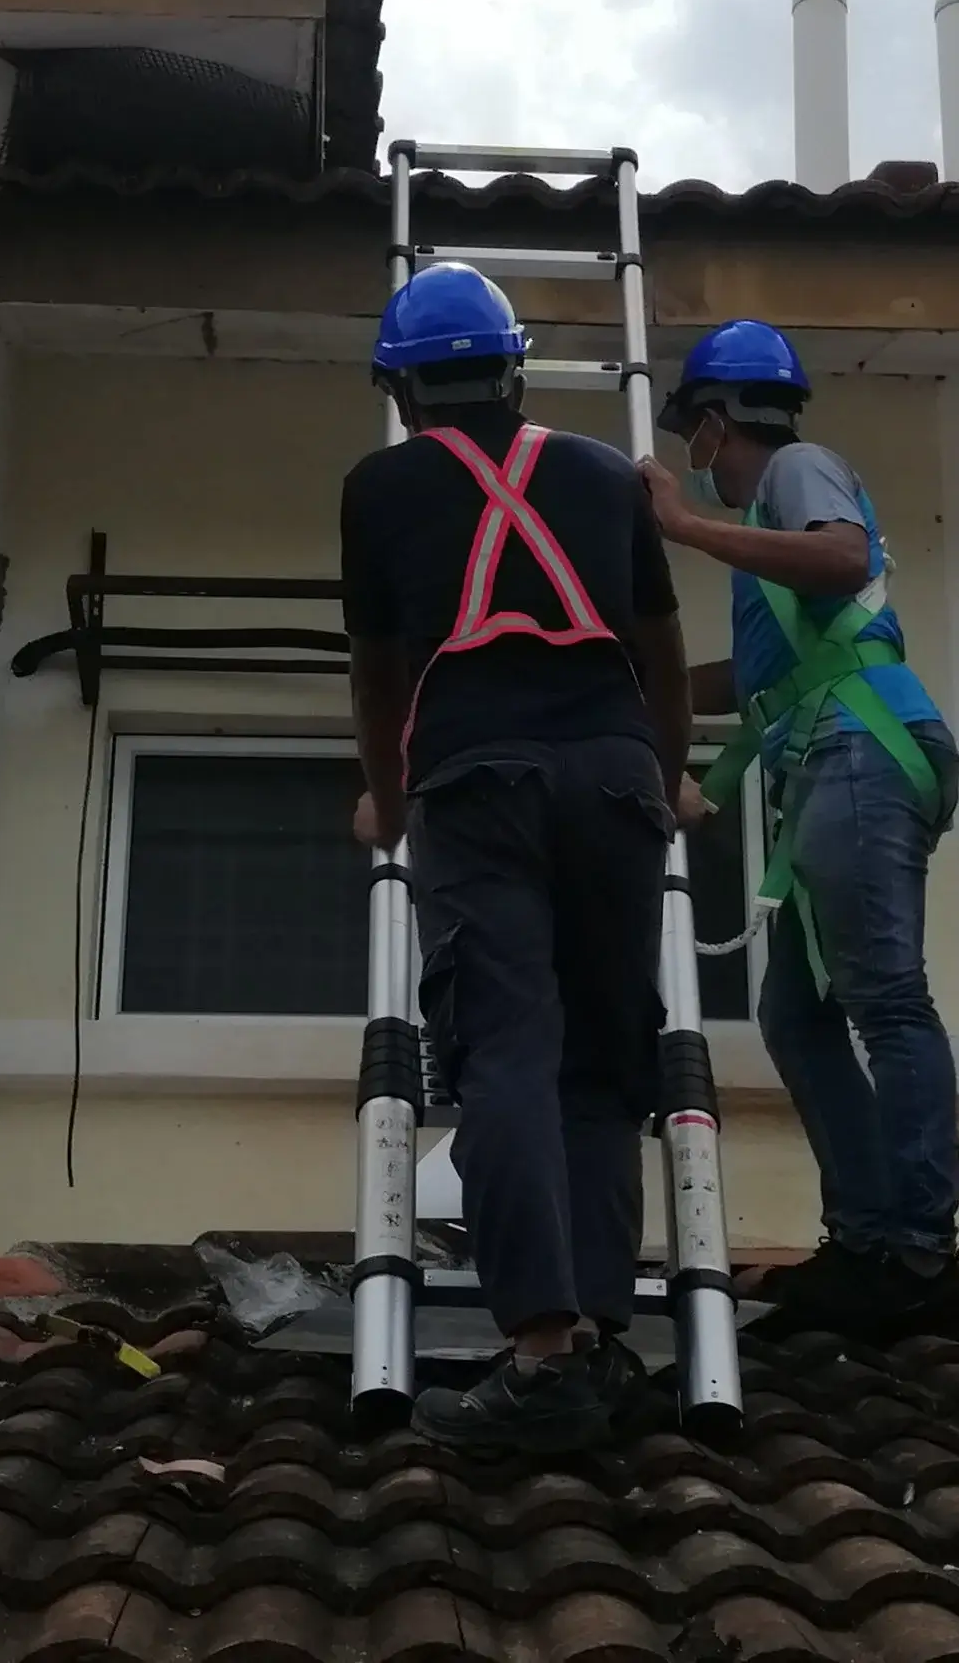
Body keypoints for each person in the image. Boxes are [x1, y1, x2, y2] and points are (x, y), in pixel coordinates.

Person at [340, 262, 699, 1454]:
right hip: (612, 776)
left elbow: (381, 671)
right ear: (512, 364)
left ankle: (540, 1360)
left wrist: (387, 802)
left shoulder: (382, 487)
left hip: (477, 777)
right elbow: (659, 648)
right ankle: (591, 1337)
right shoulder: (603, 473)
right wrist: (663, 775)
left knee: (503, 1047)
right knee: (602, 1061)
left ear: (402, 388)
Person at [639, 319, 959, 1343]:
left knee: (883, 997)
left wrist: (685, 528)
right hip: (835, 750)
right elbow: (755, 679)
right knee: (796, 1011)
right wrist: (630, 685)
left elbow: (841, 556)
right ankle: (869, 1238)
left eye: (693, 434)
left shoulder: (795, 470)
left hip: (861, 750)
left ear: (710, 425)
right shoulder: (768, 547)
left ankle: (915, 1251)